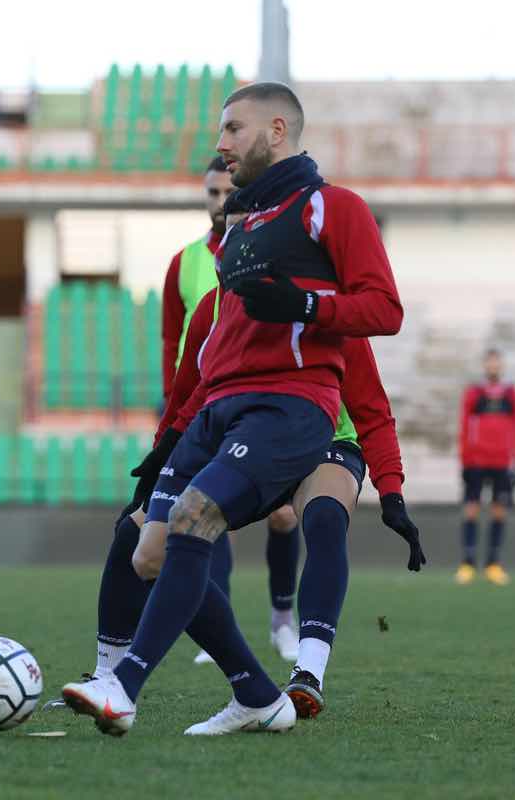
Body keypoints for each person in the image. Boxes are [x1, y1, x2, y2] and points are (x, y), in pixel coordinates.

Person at [62, 81, 404, 736]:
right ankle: (256, 693)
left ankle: (124, 685)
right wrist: (170, 435)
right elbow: (210, 340)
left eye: (232, 130)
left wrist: (307, 306)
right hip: (218, 410)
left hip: (288, 406)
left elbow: (384, 309)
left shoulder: (334, 208)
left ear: (277, 131)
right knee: (147, 551)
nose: (221, 144)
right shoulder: (246, 224)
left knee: (195, 519)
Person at [88, 288, 422, 721]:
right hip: (245, 438)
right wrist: (157, 466)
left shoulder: (324, 306)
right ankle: (237, 688)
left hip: (327, 441)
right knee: (142, 544)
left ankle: (308, 673)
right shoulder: (214, 306)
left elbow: (372, 409)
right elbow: (189, 396)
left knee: (323, 516)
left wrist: (391, 490)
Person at [161, 156, 302, 664]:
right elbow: (171, 341)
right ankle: (216, 622)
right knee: (207, 511)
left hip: (261, 398)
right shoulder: (185, 262)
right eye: (212, 194)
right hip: (202, 402)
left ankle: (284, 619)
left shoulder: (271, 251)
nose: (221, 203)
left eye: (227, 192)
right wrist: (172, 411)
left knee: (285, 515)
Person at [456, 348, 515, 586]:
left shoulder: (512, 394)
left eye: (497, 363)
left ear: (502, 366)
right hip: (476, 461)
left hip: (502, 461)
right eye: (490, 363)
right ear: (485, 366)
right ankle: (468, 563)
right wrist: (463, 458)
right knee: (472, 509)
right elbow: (464, 425)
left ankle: (493, 564)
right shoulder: (474, 393)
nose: (493, 367)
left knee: (498, 511)